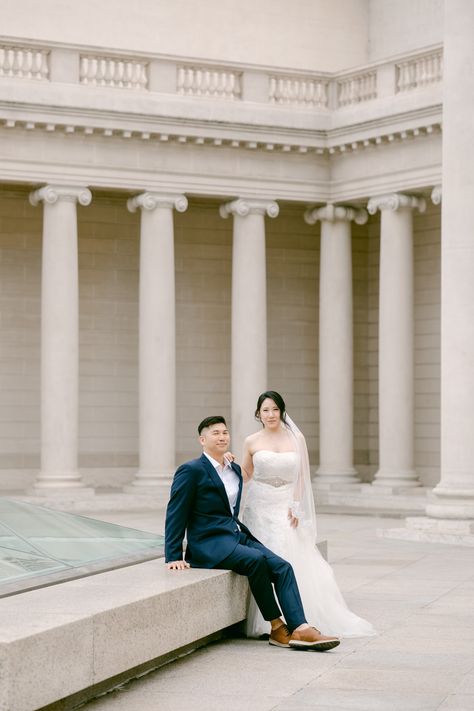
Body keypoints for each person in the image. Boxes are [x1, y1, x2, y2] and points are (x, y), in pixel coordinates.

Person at [165, 415, 340, 651]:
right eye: (215, 433)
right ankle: (278, 628)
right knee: (255, 560)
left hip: (236, 536)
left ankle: (300, 627)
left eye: (225, 432)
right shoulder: (191, 470)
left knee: (283, 567)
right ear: (202, 440)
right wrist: (174, 555)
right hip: (208, 544)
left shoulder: (234, 470)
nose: (222, 437)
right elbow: (176, 512)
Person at [240, 391, 376, 639]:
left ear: (282, 411)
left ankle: (298, 617)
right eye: (265, 410)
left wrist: (295, 505)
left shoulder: (296, 438)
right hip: (258, 505)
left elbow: (301, 476)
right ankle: (269, 621)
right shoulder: (251, 441)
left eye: (275, 409)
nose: (270, 415)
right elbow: (246, 475)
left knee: (291, 554)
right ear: (258, 413)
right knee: (262, 556)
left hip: (284, 504)